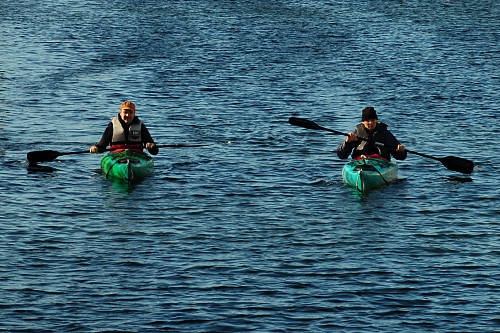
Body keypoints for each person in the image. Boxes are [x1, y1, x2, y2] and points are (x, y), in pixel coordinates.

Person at [337, 106, 406, 161]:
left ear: (376, 120)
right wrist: (347, 143)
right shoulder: (356, 133)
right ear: (363, 122)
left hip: (381, 163)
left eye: (373, 120)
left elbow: (401, 157)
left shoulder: (385, 133)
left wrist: (400, 151)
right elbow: (342, 155)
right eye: (367, 120)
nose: (371, 123)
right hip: (360, 162)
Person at [90, 101, 159, 155]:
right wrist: (96, 148)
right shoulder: (112, 125)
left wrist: (151, 146)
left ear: (134, 113)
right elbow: (102, 145)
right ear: (120, 113)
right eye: (125, 112)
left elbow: (155, 152)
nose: (127, 115)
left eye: (130, 112)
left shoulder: (141, 126)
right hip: (116, 155)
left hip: (136, 155)